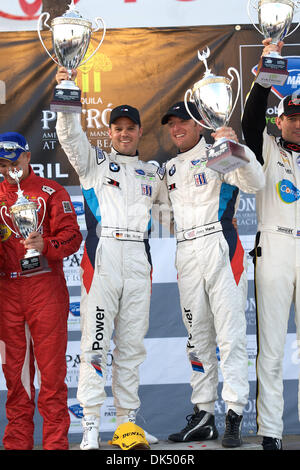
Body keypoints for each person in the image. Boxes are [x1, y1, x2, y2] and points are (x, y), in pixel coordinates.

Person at [55, 67, 171, 449]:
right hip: (103, 257)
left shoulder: (154, 174)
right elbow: (70, 136)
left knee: (132, 348)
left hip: (139, 257)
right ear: (111, 132)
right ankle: (90, 425)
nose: (124, 133)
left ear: (140, 132)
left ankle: (126, 426)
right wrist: (67, 89)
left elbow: (179, 210)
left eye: (130, 128)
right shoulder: (95, 166)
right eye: (117, 128)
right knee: (95, 345)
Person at [161, 101, 265, 448]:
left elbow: (253, 183)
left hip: (220, 246)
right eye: (172, 124)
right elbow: (160, 214)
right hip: (186, 252)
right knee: (197, 339)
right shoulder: (169, 169)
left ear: (200, 125)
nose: (177, 129)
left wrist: (236, 149)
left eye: (184, 123)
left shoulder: (220, 151)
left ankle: (234, 413)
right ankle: (204, 414)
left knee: (230, 337)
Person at [0, 132, 82, 450]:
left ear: (27, 157)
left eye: (13, 162)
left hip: (45, 286)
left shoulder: (51, 191)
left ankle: (55, 444)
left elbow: (72, 237)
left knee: (51, 376)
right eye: (2, 165)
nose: (8, 170)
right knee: (15, 378)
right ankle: (18, 443)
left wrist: (44, 245)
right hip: (7, 290)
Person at [241, 38, 300, 451]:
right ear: (280, 121)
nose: (298, 123)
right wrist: (265, 74)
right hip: (275, 248)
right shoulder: (265, 147)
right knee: (272, 347)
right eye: (292, 117)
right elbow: (249, 121)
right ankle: (271, 433)